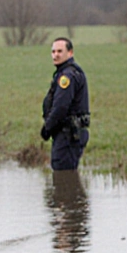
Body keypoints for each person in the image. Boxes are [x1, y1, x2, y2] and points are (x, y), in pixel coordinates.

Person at [40, 36, 90, 171]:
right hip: (69, 134)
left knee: (64, 179)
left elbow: (60, 107)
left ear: (70, 53)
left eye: (60, 51)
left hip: (68, 135)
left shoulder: (67, 77)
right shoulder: (67, 72)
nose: (55, 55)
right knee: (68, 180)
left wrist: (47, 128)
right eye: (53, 52)